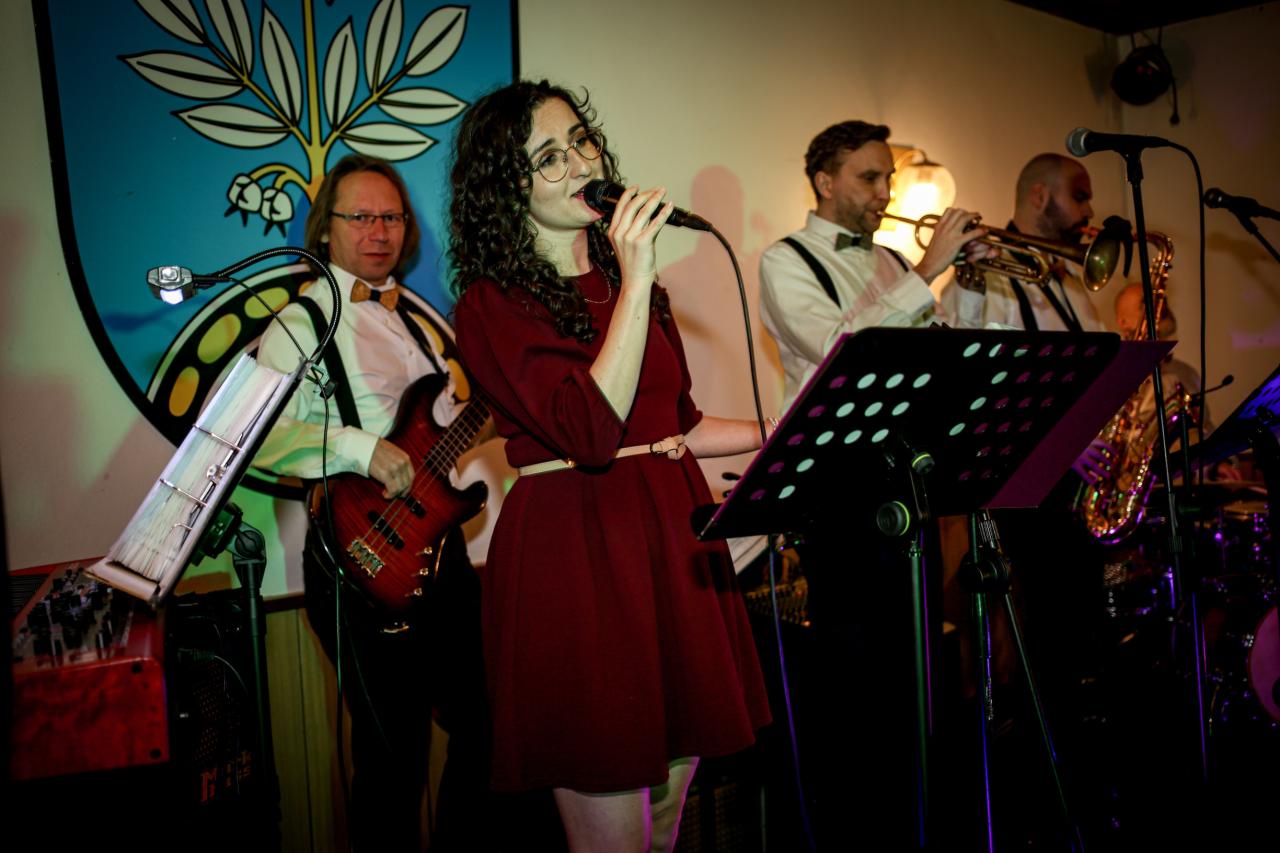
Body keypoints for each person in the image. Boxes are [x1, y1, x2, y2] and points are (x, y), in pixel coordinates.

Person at [447, 80, 771, 853]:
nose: (580, 163)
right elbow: (590, 434)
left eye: (581, 141)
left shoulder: (639, 289)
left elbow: (677, 426)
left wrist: (783, 429)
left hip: (671, 544)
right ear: (506, 189)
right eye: (548, 157)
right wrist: (634, 278)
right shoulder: (491, 304)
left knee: (664, 824)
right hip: (578, 554)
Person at [254, 154, 488, 851]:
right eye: (361, 216)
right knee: (393, 759)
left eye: (391, 217)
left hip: (441, 550)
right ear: (326, 229)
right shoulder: (298, 325)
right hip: (359, 560)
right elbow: (259, 437)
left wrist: (494, 414)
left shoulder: (414, 318)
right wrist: (361, 450)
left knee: (487, 726)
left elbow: (436, 429)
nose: (379, 231)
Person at [759, 119, 993, 411]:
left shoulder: (895, 258)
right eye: (869, 178)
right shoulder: (784, 260)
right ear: (826, 184)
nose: (885, 193)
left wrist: (970, 283)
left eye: (888, 178)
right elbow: (839, 350)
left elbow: (951, 354)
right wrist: (926, 271)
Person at [941, 152, 1108, 335]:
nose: (1089, 212)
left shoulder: (1069, 275)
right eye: (1079, 197)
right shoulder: (983, 274)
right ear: (1040, 196)